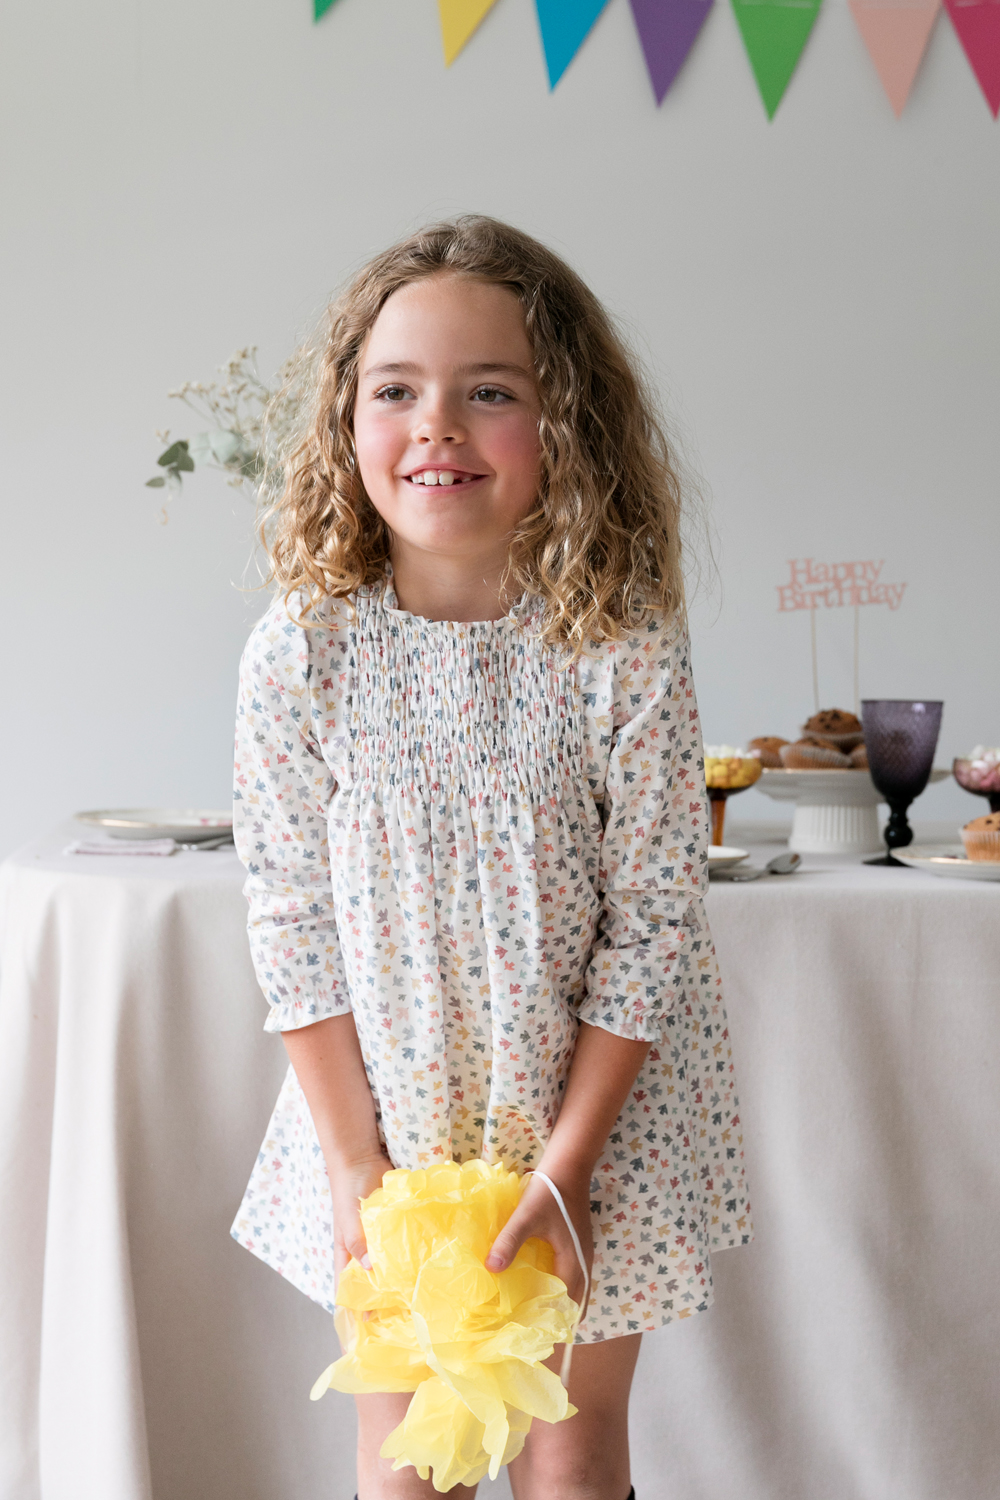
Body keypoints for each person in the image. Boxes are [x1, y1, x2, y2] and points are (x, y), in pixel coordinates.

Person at [231, 215, 752, 1500]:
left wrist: (565, 1173)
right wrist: (356, 1168)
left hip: (593, 1131)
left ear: (564, 424)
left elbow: (653, 920)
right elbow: (290, 923)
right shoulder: (302, 654)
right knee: (412, 1465)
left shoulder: (618, 646)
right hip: (388, 1134)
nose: (438, 429)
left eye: (491, 393)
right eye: (395, 391)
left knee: (570, 1454)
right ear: (346, 421)